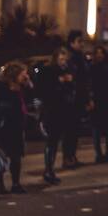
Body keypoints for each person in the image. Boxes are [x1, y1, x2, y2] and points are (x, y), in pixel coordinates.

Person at [0, 62, 31, 194]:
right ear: (14, 75)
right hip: (2, 126)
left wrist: (28, 84)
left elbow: (31, 97)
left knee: (16, 157)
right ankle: (0, 184)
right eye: (23, 74)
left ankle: (16, 183)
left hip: (16, 126)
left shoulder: (21, 87)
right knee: (1, 156)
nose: (25, 76)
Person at [33, 47, 77, 185]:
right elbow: (44, 90)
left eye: (65, 59)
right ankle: (48, 170)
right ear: (56, 58)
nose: (63, 62)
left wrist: (69, 82)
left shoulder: (66, 71)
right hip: (52, 110)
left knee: (56, 140)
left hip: (63, 110)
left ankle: (50, 168)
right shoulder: (49, 71)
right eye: (61, 59)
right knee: (51, 141)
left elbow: (71, 90)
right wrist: (60, 82)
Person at [61, 30, 90, 169]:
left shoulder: (80, 57)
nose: (82, 44)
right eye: (79, 41)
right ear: (71, 43)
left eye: (82, 41)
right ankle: (68, 157)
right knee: (69, 130)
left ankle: (72, 156)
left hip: (78, 98)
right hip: (71, 99)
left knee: (75, 130)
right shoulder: (70, 58)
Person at [87, 45, 108, 164]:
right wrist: (90, 99)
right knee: (96, 131)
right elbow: (89, 85)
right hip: (97, 102)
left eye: (101, 53)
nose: (99, 55)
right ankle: (99, 154)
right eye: (97, 53)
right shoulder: (92, 68)